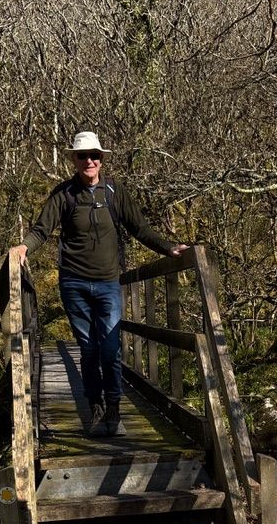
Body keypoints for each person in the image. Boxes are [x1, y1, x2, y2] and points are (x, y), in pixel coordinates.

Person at [10, 131, 187, 437]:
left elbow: (139, 228)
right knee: (89, 350)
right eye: (82, 156)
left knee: (110, 349)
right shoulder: (63, 194)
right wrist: (24, 247)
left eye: (94, 155)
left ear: (102, 159)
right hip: (74, 283)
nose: (89, 161)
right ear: (74, 160)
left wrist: (168, 248)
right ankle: (95, 406)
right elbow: (42, 229)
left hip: (108, 284)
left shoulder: (115, 192)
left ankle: (115, 407)